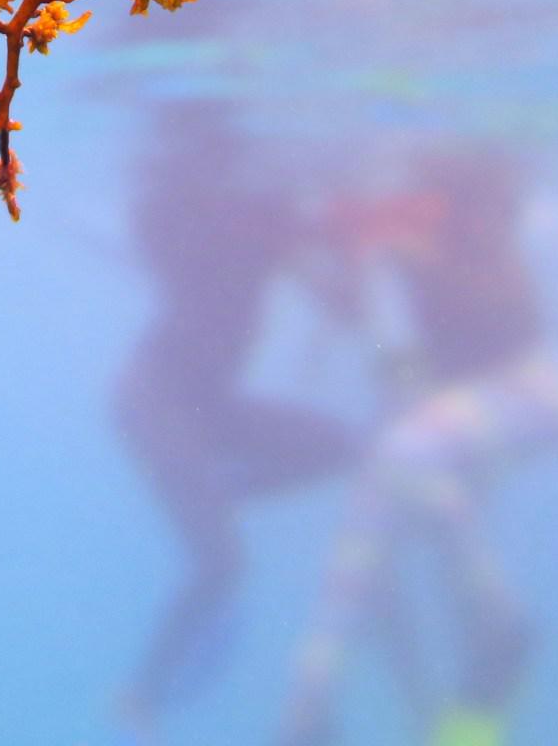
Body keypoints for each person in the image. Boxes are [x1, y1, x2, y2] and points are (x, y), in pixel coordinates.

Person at [281, 145, 558, 746]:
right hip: (443, 409)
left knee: (399, 459)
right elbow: (367, 321)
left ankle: (502, 624)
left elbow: (503, 309)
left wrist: (407, 254)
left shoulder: (462, 201)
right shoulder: (400, 217)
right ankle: (317, 702)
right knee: (376, 541)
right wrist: (317, 268)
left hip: (524, 392)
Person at [113, 103, 363, 743]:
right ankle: (140, 696)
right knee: (222, 563)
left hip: (210, 405)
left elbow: (336, 293)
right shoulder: (202, 215)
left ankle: (217, 493)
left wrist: (334, 264)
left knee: (341, 446)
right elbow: (162, 236)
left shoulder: (268, 219)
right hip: (154, 401)